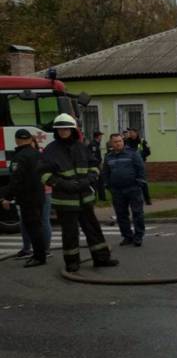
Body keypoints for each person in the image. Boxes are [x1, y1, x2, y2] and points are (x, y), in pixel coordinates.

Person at [39, 114, 118, 273]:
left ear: (72, 130)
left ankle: (101, 258)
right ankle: (72, 263)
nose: (63, 132)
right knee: (70, 233)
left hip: (84, 197)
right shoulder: (50, 150)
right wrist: (62, 184)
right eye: (60, 129)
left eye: (66, 128)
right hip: (65, 199)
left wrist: (89, 179)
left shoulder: (81, 147)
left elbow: (94, 166)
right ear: (56, 131)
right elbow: (44, 174)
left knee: (93, 229)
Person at [0, 129, 47, 267]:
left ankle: (39, 256)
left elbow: (16, 180)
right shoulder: (37, 154)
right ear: (29, 139)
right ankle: (40, 253)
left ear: (17, 140)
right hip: (39, 195)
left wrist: (6, 197)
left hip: (27, 198)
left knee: (33, 227)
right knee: (37, 225)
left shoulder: (19, 157)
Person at [103, 133, 146, 247]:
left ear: (123, 142)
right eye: (115, 142)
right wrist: (107, 185)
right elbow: (106, 172)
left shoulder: (132, 154)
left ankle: (138, 236)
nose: (118, 143)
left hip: (133, 188)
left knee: (137, 213)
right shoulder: (109, 157)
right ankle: (127, 236)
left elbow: (140, 168)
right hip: (117, 190)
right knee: (121, 214)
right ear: (111, 143)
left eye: (120, 141)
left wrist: (139, 182)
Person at [124, 128, 152, 205]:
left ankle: (147, 199)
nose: (130, 134)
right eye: (130, 133)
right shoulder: (126, 141)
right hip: (129, 163)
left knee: (143, 181)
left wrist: (140, 156)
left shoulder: (142, 141)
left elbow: (148, 152)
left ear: (136, 133)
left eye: (132, 132)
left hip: (140, 163)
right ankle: (131, 200)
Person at [88, 131, 106, 201]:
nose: (101, 137)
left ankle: (102, 198)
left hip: (96, 165)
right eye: (101, 136)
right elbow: (93, 156)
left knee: (101, 181)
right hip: (94, 166)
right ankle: (95, 197)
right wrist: (98, 164)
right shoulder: (93, 145)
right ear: (98, 136)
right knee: (95, 182)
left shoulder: (96, 144)